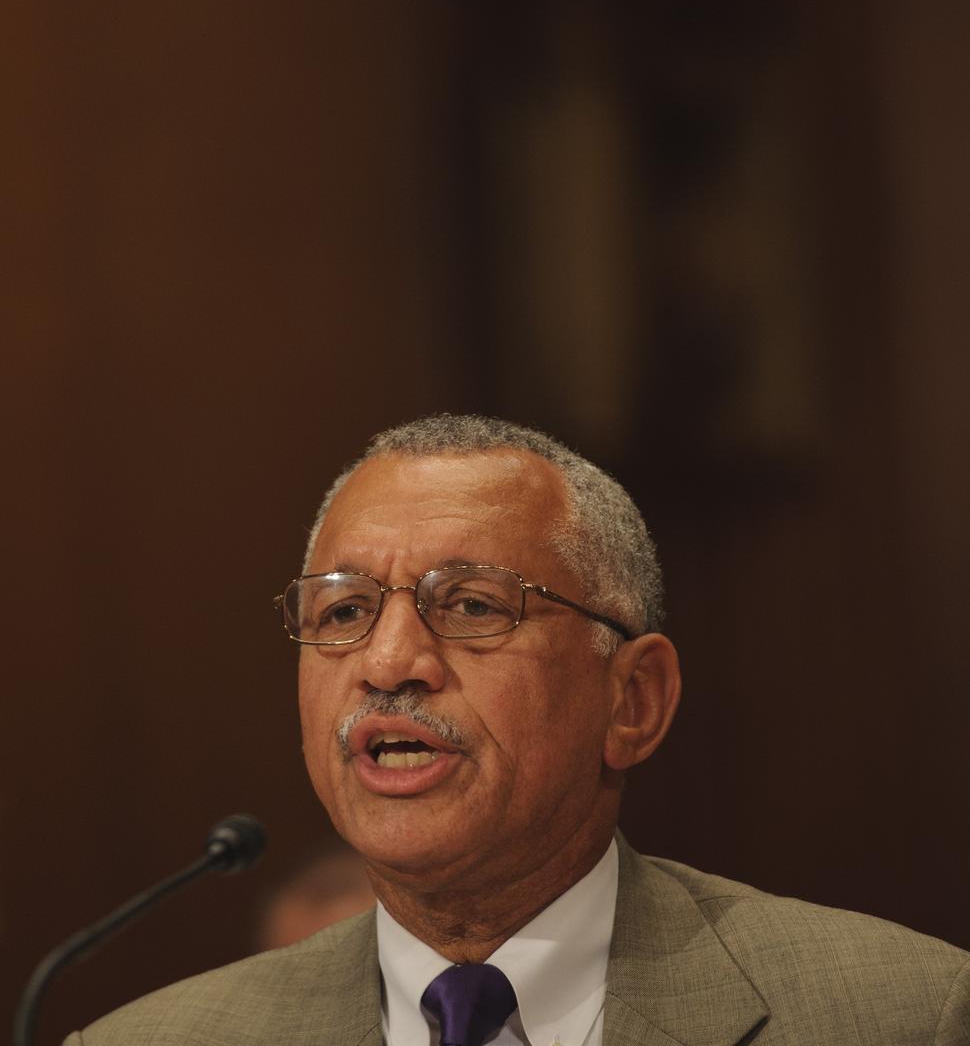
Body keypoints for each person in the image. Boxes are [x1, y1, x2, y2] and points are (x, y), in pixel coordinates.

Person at [67, 415, 969, 1044]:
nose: (388, 662)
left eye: (469, 604)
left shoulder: (902, 1017)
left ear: (634, 700)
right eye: (342, 615)